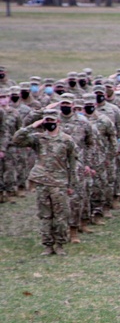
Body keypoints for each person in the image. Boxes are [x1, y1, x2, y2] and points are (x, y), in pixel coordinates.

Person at [12, 109, 78, 255]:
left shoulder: (67, 140)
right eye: (46, 121)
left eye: (52, 121)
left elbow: (73, 163)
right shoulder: (38, 138)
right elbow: (16, 140)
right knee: (45, 215)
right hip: (42, 181)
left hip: (59, 183)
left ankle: (60, 244)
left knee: (61, 216)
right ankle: (48, 245)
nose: (49, 123)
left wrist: (72, 184)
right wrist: (32, 126)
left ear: (58, 122)